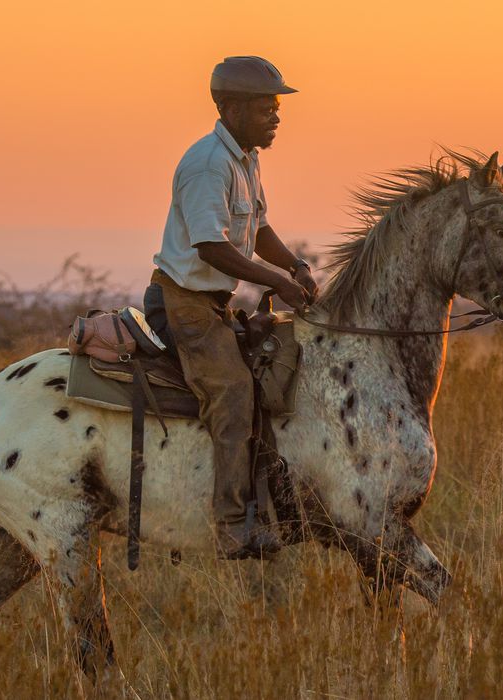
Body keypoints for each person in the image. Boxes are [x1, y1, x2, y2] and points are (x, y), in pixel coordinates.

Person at [150, 56, 317, 559]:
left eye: (276, 106)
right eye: (267, 106)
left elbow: (258, 230)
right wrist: (277, 284)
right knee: (235, 391)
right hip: (185, 304)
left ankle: (267, 502)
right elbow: (212, 247)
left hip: (214, 304)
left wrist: (295, 266)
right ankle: (229, 526)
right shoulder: (207, 164)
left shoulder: (246, 159)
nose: (276, 116)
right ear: (231, 108)